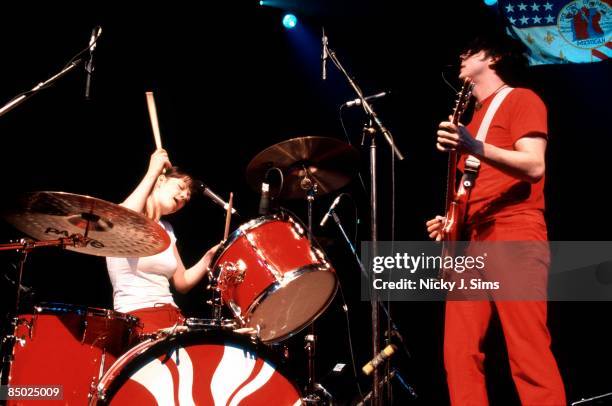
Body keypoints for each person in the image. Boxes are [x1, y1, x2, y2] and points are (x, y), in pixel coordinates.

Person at [426, 34, 566, 405]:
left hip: (514, 228)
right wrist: (451, 221)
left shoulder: (522, 99)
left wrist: (473, 146)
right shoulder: (471, 119)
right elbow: (477, 187)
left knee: (527, 348)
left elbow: (535, 165)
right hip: (471, 240)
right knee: (458, 354)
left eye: (470, 50)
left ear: (495, 57)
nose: (461, 54)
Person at [106, 149, 219, 335]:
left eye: (188, 197)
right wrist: (153, 171)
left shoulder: (167, 229)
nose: (184, 197)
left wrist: (210, 256)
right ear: (161, 180)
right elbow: (121, 218)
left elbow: (182, 282)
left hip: (171, 316)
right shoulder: (130, 215)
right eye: (181, 188)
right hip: (136, 318)